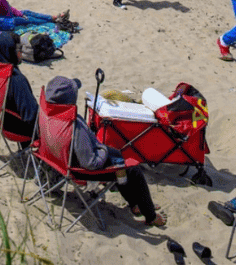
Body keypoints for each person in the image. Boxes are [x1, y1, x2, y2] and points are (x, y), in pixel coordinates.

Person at [44, 77, 167, 227]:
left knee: (118, 159)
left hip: (58, 160)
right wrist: (102, 148)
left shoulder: (47, 113)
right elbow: (91, 163)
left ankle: (135, 204)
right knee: (133, 169)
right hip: (80, 171)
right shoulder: (73, 125)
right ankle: (151, 216)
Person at [0, 33, 38, 148]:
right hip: (20, 129)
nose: (21, 53)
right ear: (9, 51)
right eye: (18, 48)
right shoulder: (15, 79)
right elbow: (31, 116)